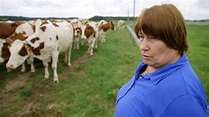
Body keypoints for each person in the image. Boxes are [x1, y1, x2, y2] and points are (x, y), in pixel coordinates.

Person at [114, 4, 207, 117]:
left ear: (174, 37)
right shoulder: (153, 65)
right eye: (141, 36)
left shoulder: (183, 97)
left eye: (153, 38)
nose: (142, 46)